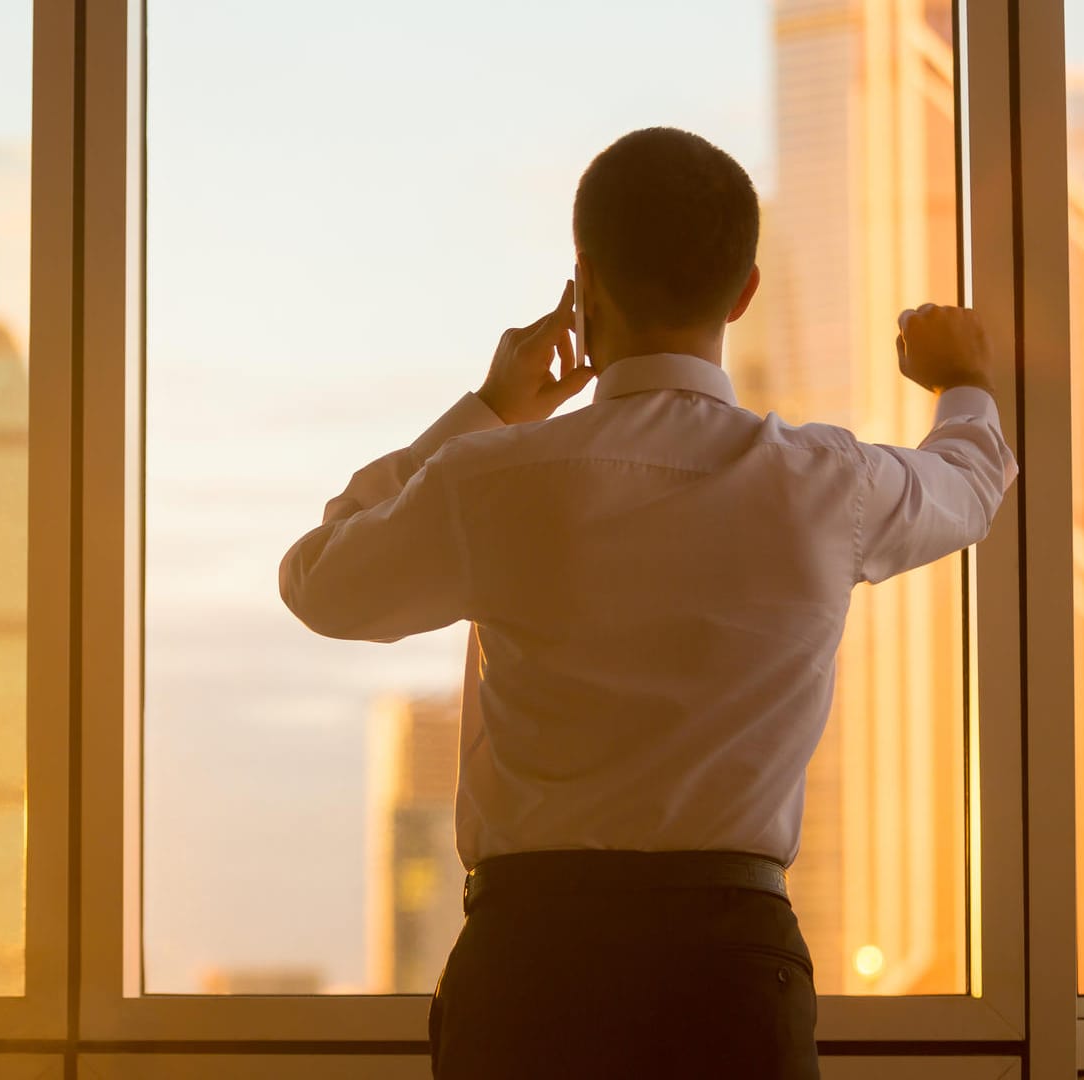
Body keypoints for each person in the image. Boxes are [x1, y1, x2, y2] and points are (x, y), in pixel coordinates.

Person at [277, 127, 1017, 1078]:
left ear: (581, 281)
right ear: (746, 292)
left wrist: (489, 411)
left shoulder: (494, 478)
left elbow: (319, 582)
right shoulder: (826, 483)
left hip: (529, 970)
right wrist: (963, 380)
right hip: (733, 973)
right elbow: (971, 479)